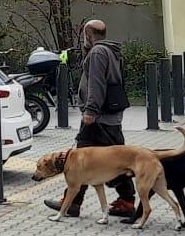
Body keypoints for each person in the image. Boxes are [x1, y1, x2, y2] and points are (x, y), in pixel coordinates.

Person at [45, 19, 136, 220]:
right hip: (111, 114)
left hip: (98, 116)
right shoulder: (113, 50)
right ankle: (79, 202)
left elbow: (96, 83)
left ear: (87, 34)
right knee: (113, 159)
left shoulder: (97, 53)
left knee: (85, 160)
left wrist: (91, 111)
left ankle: (75, 204)